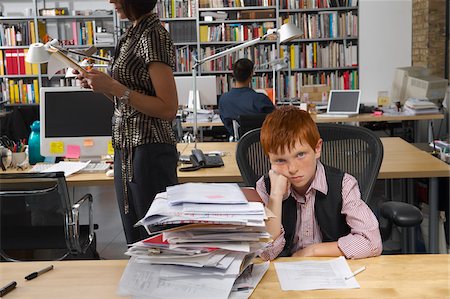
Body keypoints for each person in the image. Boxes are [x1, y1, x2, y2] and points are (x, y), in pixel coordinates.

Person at [76, 0, 178, 244]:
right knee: (135, 238)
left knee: (154, 240)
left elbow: (168, 107)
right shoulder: (132, 33)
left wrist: (113, 86)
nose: (111, 1)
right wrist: (100, 85)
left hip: (149, 149)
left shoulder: (153, 35)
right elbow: (127, 97)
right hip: (127, 148)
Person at [256, 106, 382, 260]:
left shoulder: (344, 185)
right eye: (280, 160)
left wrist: (312, 251)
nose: (292, 169)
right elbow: (266, 253)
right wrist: (275, 197)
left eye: (300, 154)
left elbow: (372, 242)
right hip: (284, 275)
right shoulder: (264, 187)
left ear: (317, 149)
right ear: (269, 159)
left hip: (334, 271)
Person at [218, 58, 275, 136]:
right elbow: (276, 121)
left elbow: (226, 123)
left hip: (238, 144)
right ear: (251, 74)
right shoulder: (261, 99)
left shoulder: (223, 100)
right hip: (261, 143)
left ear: (233, 74)